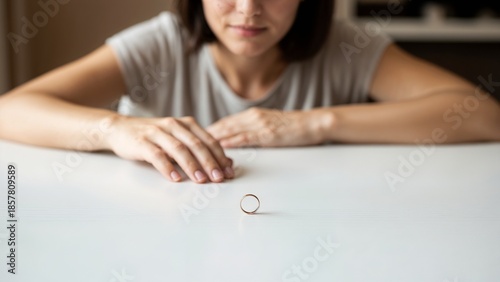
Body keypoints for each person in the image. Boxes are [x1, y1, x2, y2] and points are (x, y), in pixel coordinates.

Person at [0, 0, 499, 184]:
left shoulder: (345, 46)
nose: (248, 10)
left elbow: (482, 116)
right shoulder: (161, 43)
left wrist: (312, 123)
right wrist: (115, 129)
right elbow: (10, 109)